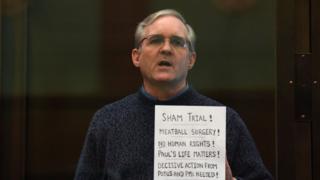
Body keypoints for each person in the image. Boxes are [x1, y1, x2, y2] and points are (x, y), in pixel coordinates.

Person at [74, 9, 273, 180]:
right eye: (155, 40)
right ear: (136, 56)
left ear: (191, 60)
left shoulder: (225, 120)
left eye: (177, 42)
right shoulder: (107, 121)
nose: (166, 48)